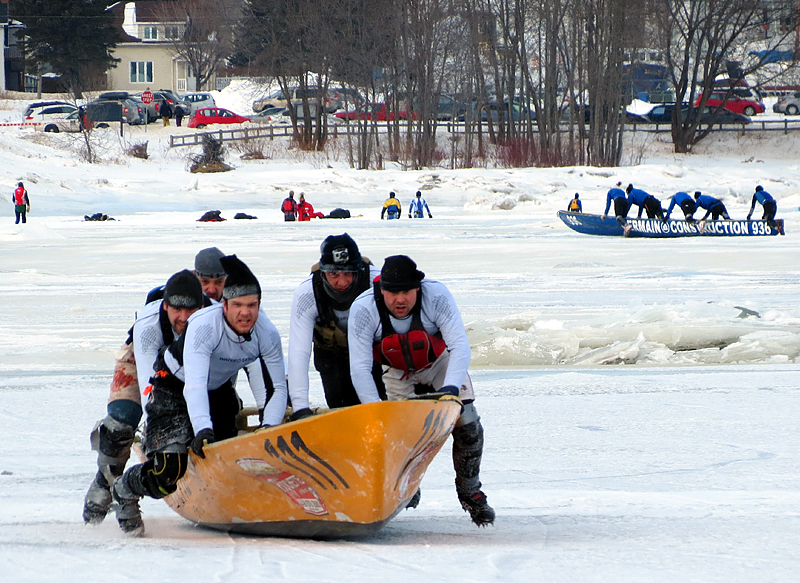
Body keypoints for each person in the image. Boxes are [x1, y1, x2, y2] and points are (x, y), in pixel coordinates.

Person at [111, 255, 288, 536]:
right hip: (171, 387)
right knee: (169, 471)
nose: (245, 313)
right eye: (238, 305)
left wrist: (269, 428)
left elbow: (276, 387)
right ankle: (125, 489)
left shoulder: (266, 332)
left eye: (252, 305)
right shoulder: (204, 325)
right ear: (223, 306)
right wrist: (203, 428)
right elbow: (193, 385)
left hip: (216, 390)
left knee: (229, 456)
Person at [347, 255, 495, 527]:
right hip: (396, 372)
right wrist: (374, 410)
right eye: (392, 292)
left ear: (418, 288)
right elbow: (359, 367)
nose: (399, 299)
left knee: (468, 422)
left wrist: (451, 389)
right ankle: (406, 489)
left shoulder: (436, 295)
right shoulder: (364, 308)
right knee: (396, 435)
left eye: (405, 291)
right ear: (381, 289)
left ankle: (470, 491)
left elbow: (460, 346)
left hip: (439, 364)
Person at [83, 270, 206, 535]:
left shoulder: (213, 317)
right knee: (122, 419)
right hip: (143, 362)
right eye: (176, 310)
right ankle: (106, 481)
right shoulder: (149, 327)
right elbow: (151, 387)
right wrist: (158, 440)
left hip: (186, 363)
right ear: (165, 306)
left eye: (190, 310)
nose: (183, 318)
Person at [288, 234, 385, 418]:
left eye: (348, 273)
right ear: (323, 271)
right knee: (344, 410)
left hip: (376, 353)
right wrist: (300, 407)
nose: (342, 282)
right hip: (333, 356)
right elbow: (298, 354)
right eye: (333, 274)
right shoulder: (307, 293)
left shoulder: (377, 284)